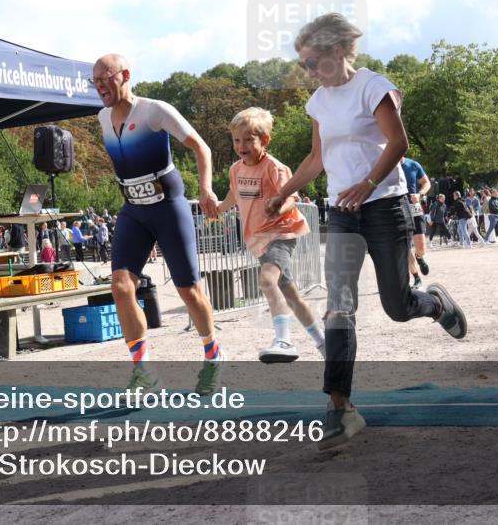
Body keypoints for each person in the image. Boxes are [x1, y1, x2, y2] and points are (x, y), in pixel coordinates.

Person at [265, 13, 467, 451]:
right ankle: (341, 408)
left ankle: (434, 304)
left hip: (385, 206)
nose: (308, 72)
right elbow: (316, 158)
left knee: (397, 305)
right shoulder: (318, 102)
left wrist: (369, 183)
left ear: (338, 51)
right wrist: (283, 193)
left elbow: (399, 143)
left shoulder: (373, 87)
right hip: (342, 213)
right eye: (302, 64)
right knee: (339, 306)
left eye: (312, 62)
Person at [92, 53, 226, 394]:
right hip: (133, 210)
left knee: (189, 291)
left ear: (125, 75)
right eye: (95, 81)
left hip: (168, 207)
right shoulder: (103, 117)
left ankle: (213, 355)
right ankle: (144, 372)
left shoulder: (154, 110)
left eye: (105, 78)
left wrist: (206, 189)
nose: (100, 86)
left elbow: (201, 148)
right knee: (121, 287)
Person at [216, 107, 326, 363]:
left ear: (264, 140)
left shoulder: (274, 167)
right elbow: (233, 194)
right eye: (236, 140)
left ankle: (284, 340)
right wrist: (218, 209)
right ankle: (324, 343)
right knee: (291, 295)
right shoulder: (236, 169)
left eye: (248, 140)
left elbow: (291, 198)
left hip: (281, 232)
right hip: (257, 239)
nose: (241, 146)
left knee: (267, 281)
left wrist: (279, 207)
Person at [400, 157, 432, 289]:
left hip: (414, 206)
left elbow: (427, 183)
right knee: (405, 246)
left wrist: (420, 194)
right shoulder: (387, 165)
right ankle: (416, 277)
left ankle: (419, 257)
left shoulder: (413, 165)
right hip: (399, 208)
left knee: (421, 248)